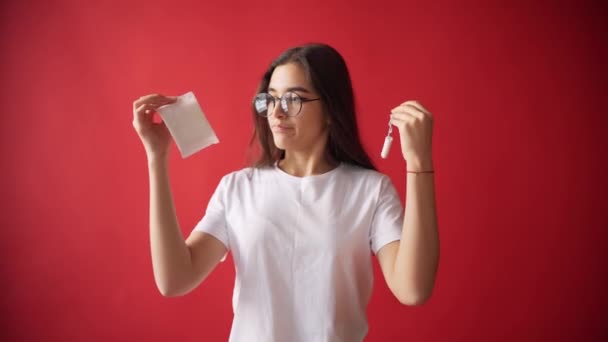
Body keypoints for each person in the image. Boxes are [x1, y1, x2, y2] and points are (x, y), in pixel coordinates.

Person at [132, 42, 439, 342]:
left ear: (331, 109)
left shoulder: (371, 191)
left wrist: (418, 162)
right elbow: (175, 279)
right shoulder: (238, 188)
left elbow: (412, 289)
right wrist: (157, 158)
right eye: (271, 99)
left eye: (294, 99)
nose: (276, 113)